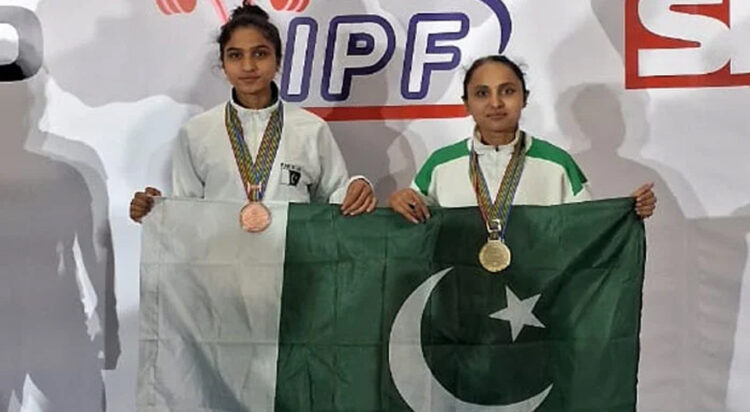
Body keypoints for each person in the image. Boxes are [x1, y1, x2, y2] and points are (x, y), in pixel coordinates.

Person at [130, 2, 376, 222]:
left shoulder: (311, 129)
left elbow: (334, 202)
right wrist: (155, 210)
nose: (248, 66)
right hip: (220, 265)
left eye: (260, 53)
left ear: (277, 61)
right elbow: (186, 214)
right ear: (223, 65)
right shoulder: (196, 133)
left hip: (293, 264)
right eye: (235, 55)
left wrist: (357, 187)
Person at [389, 55, 656, 224]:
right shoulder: (440, 164)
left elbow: (586, 228)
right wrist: (400, 201)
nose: (495, 103)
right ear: (466, 104)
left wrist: (625, 213)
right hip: (460, 298)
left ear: (524, 98)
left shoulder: (556, 163)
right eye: (482, 93)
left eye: (507, 91)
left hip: (535, 304)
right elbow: (413, 219)